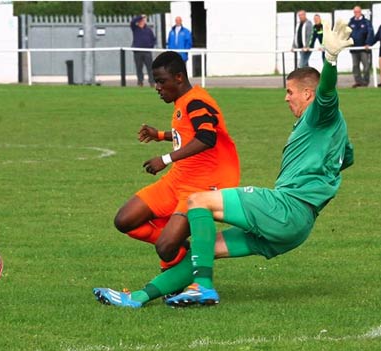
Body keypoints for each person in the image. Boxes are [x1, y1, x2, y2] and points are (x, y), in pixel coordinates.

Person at [93, 20, 354, 308]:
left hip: (286, 206)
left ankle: (202, 286)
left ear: (308, 94)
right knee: (206, 249)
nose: (286, 97)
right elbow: (347, 158)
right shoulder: (332, 131)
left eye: (290, 92)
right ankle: (138, 298)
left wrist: (330, 59)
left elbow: (327, 92)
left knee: (198, 201)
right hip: (299, 227)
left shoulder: (321, 113)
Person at [103, 51, 240, 290]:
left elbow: (207, 137)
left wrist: (165, 159)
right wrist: (160, 135)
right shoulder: (183, 101)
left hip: (201, 188)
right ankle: (184, 250)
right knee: (125, 220)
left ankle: (179, 262)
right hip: (178, 180)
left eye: (161, 81)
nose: (157, 87)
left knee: (164, 248)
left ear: (178, 77)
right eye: (155, 81)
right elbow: (187, 133)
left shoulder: (197, 101)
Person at [348, 6, 374, 88]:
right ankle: (358, 82)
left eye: (358, 12)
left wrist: (367, 43)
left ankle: (365, 82)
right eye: (355, 12)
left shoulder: (366, 22)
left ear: (361, 12)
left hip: (364, 48)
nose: (356, 13)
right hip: (354, 48)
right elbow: (347, 33)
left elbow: (370, 33)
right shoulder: (351, 22)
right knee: (355, 66)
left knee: (366, 66)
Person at [130, 14, 156, 87]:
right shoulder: (135, 28)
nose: (142, 22)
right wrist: (141, 16)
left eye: (143, 20)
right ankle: (140, 81)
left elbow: (153, 39)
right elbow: (132, 22)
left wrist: (150, 46)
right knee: (139, 68)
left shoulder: (148, 30)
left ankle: (152, 82)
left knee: (150, 68)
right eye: (141, 20)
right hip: (137, 51)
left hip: (147, 52)